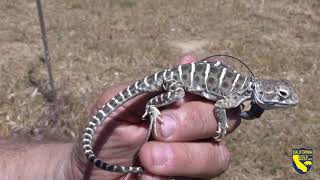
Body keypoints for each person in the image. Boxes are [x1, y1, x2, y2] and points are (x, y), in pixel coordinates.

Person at [0, 55, 241, 180]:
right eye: (281, 95)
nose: (281, 101)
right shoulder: (238, 94)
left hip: (75, 174)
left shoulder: (244, 93)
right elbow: (221, 106)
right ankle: (153, 105)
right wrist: (220, 121)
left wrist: (68, 172)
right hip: (174, 81)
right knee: (177, 95)